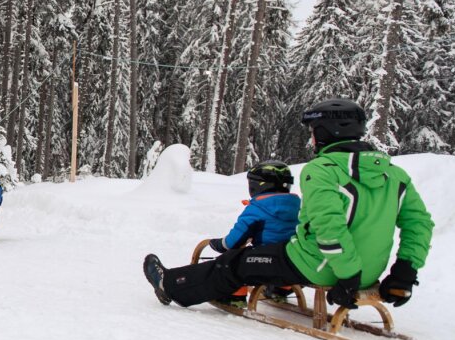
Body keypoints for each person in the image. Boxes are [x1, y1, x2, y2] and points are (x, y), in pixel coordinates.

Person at [144, 98, 434, 312]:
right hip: (370, 272)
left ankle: (170, 284)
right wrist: (403, 274)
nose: (311, 138)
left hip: (322, 267)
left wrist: (347, 276)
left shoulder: (322, 170)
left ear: (324, 132)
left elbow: (329, 228)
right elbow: (419, 224)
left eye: (313, 131)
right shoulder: (395, 174)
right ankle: (274, 288)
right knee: (271, 252)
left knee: (237, 261)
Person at [207, 160, 301, 305]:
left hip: (263, 261)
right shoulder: (298, 206)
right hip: (291, 263)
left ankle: (235, 297)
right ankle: (280, 290)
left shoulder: (258, 208)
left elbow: (235, 241)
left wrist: (220, 244)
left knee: (234, 259)